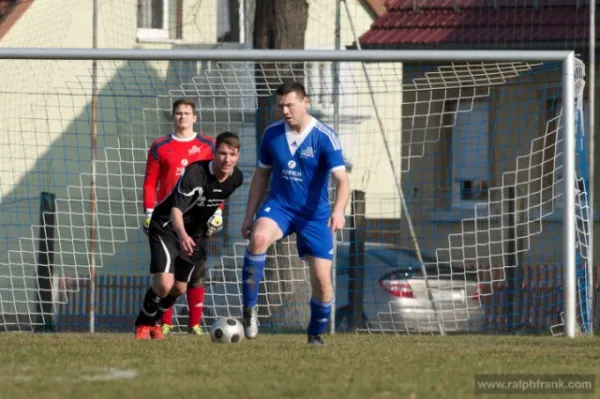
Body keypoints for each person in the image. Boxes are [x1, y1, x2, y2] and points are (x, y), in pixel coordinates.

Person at [240, 81, 350, 345]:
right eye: (281, 106)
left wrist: (339, 211)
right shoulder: (271, 134)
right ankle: (249, 310)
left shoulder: (324, 136)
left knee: (323, 282)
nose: (285, 111)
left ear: (305, 102)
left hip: (315, 214)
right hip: (280, 205)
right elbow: (261, 175)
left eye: (290, 105)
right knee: (257, 239)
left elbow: (342, 181)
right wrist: (249, 215)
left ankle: (315, 333)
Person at [134, 131, 243, 340]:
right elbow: (176, 210)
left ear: (237, 155)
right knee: (164, 284)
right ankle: (143, 323)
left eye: (232, 154)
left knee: (179, 288)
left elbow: (216, 198)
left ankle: (155, 323)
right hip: (166, 227)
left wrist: (213, 217)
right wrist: (182, 234)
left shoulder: (236, 178)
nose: (226, 159)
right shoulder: (195, 174)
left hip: (194, 233)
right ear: (214, 153)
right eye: (222, 153)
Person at [142, 97, 224, 336]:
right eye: (178, 113)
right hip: (167, 220)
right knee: (167, 274)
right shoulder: (160, 146)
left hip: (197, 218)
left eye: (187, 113)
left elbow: (218, 180)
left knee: (194, 271)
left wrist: (218, 210)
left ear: (195, 117)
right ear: (173, 116)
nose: (182, 117)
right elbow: (150, 183)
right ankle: (165, 322)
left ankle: (194, 324)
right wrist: (149, 212)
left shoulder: (208, 145)